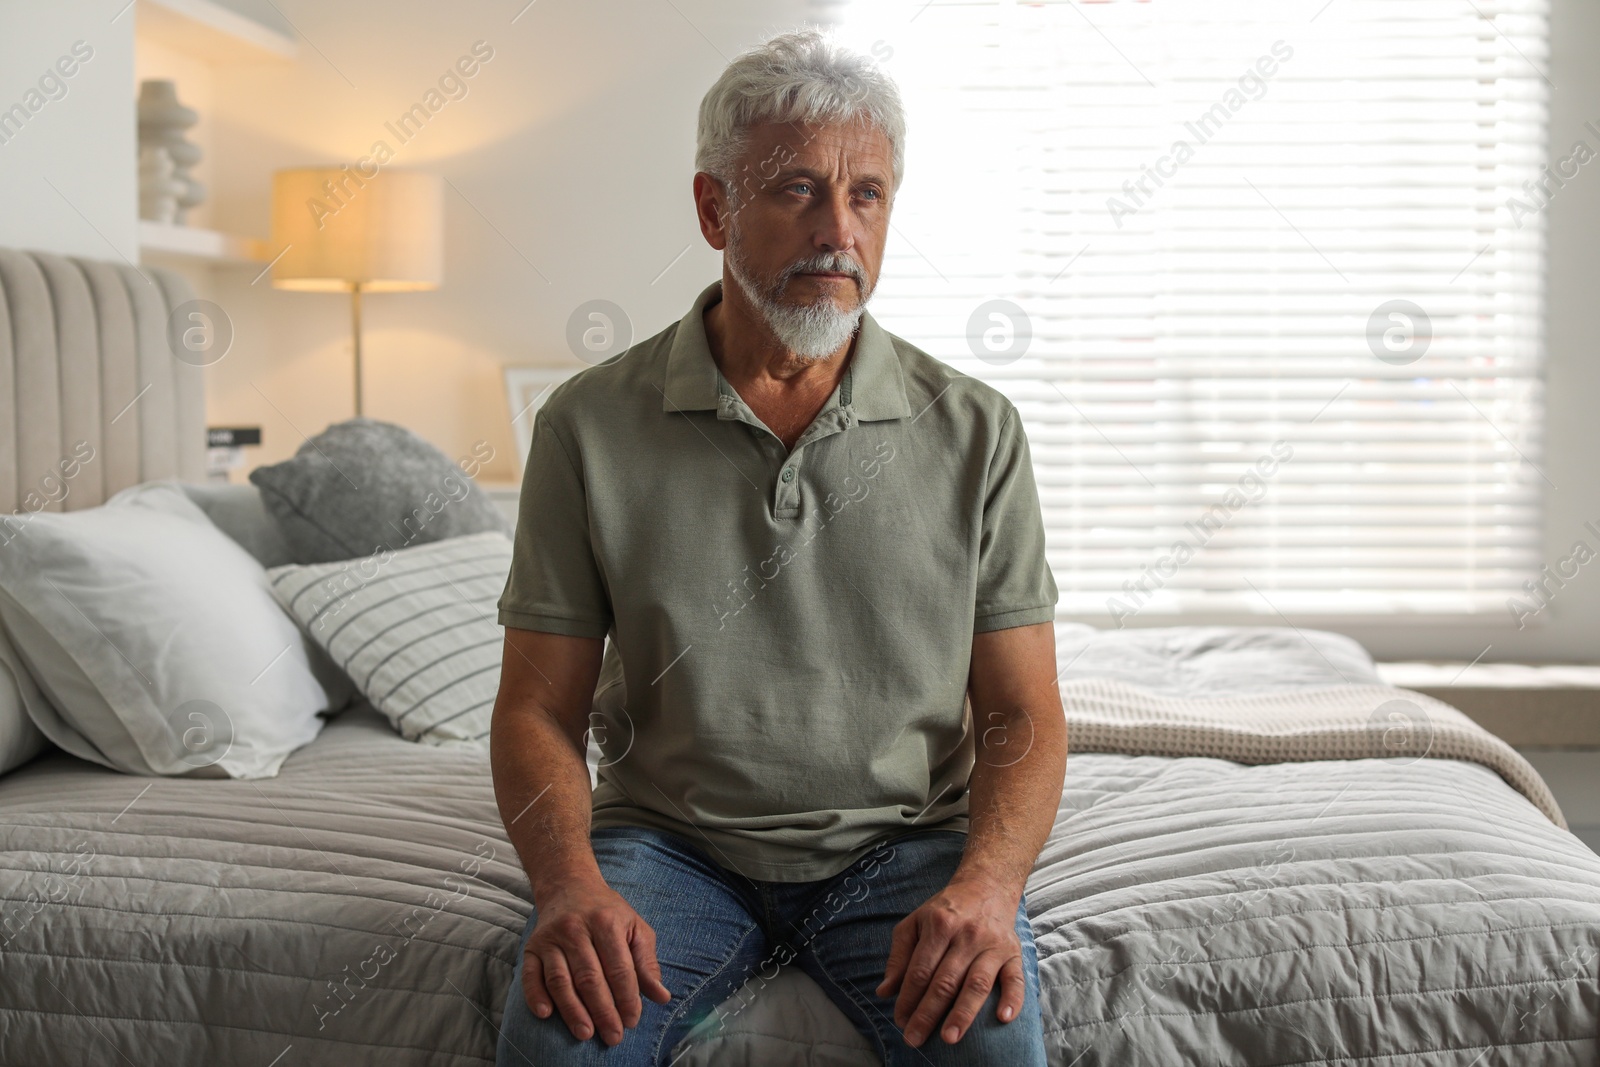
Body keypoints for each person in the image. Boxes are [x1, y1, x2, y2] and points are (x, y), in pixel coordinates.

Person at [491, 29, 1064, 1066]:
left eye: (867, 195)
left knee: (994, 1049)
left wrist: (985, 887)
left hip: (906, 846)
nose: (837, 231)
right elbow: (536, 705)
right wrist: (571, 884)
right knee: (558, 1046)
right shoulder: (586, 424)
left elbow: (1023, 710)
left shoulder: (977, 427)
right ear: (713, 208)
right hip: (670, 845)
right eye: (797, 190)